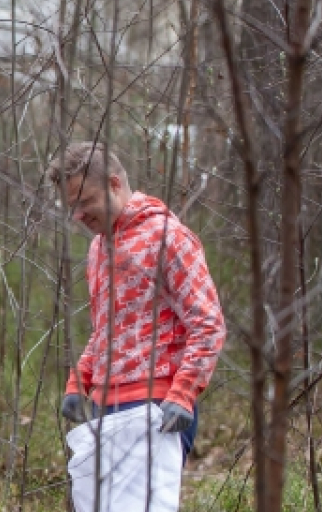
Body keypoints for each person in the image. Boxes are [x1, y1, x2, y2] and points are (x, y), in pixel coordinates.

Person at [49, 141, 226, 458]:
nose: (78, 215)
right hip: (107, 407)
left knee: (145, 510)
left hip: (157, 405)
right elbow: (106, 329)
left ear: (114, 184)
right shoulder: (98, 248)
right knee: (107, 510)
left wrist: (184, 393)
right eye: (71, 207)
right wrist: (79, 381)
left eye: (85, 201)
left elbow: (208, 323)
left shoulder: (168, 236)